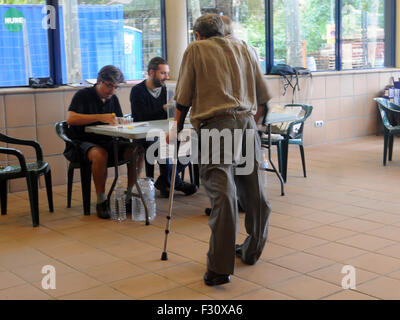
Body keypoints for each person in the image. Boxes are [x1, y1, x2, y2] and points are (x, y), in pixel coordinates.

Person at [170, 14, 272, 286]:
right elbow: (264, 98)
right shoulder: (245, 47)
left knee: (222, 194)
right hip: (247, 122)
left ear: (198, 35)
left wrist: (176, 130)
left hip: (216, 126)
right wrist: (253, 124)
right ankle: (252, 250)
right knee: (254, 189)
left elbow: (183, 98)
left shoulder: (196, 50)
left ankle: (219, 267)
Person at [65, 65, 143, 219]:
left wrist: (122, 123)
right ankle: (101, 200)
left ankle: (130, 195)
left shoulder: (113, 98)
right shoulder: (82, 95)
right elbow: (71, 119)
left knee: (137, 150)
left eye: (116, 87)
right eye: (109, 86)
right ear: (99, 81)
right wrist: (100, 117)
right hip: (82, 143)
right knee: (100, 154)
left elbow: (116, 121)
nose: (112, 91)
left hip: (108, 140)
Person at [130, 57, 198, 198]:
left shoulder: (166, 90)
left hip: (165, 132)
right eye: (163, 73)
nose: (166, 77)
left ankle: (165, 180)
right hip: (146, 135)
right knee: (163, 145)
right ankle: (175, 182)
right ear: (151, 72)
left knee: (192, 144)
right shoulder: (137, 91)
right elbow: (141, 116)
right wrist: (164, 108)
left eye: (167, 73)